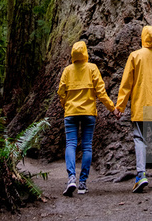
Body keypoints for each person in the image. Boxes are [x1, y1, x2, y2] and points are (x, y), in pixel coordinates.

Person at [114, 25, 152, 192]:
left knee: (139, 138)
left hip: (140, 104)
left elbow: (126, 83)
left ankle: (141, 175)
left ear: (143, 37)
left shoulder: (135, 56)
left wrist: (120, 105)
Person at [57, 40, 115, 196]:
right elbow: (101, 93)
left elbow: (61, 92)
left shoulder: (68, 70)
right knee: (87, 146)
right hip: (89, 113)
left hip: (70, 113)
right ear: (85, 53)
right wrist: (112, 108)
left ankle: (71, 178)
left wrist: (66, 105)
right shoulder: (92, 68)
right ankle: (82, 183)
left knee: (71, 144)